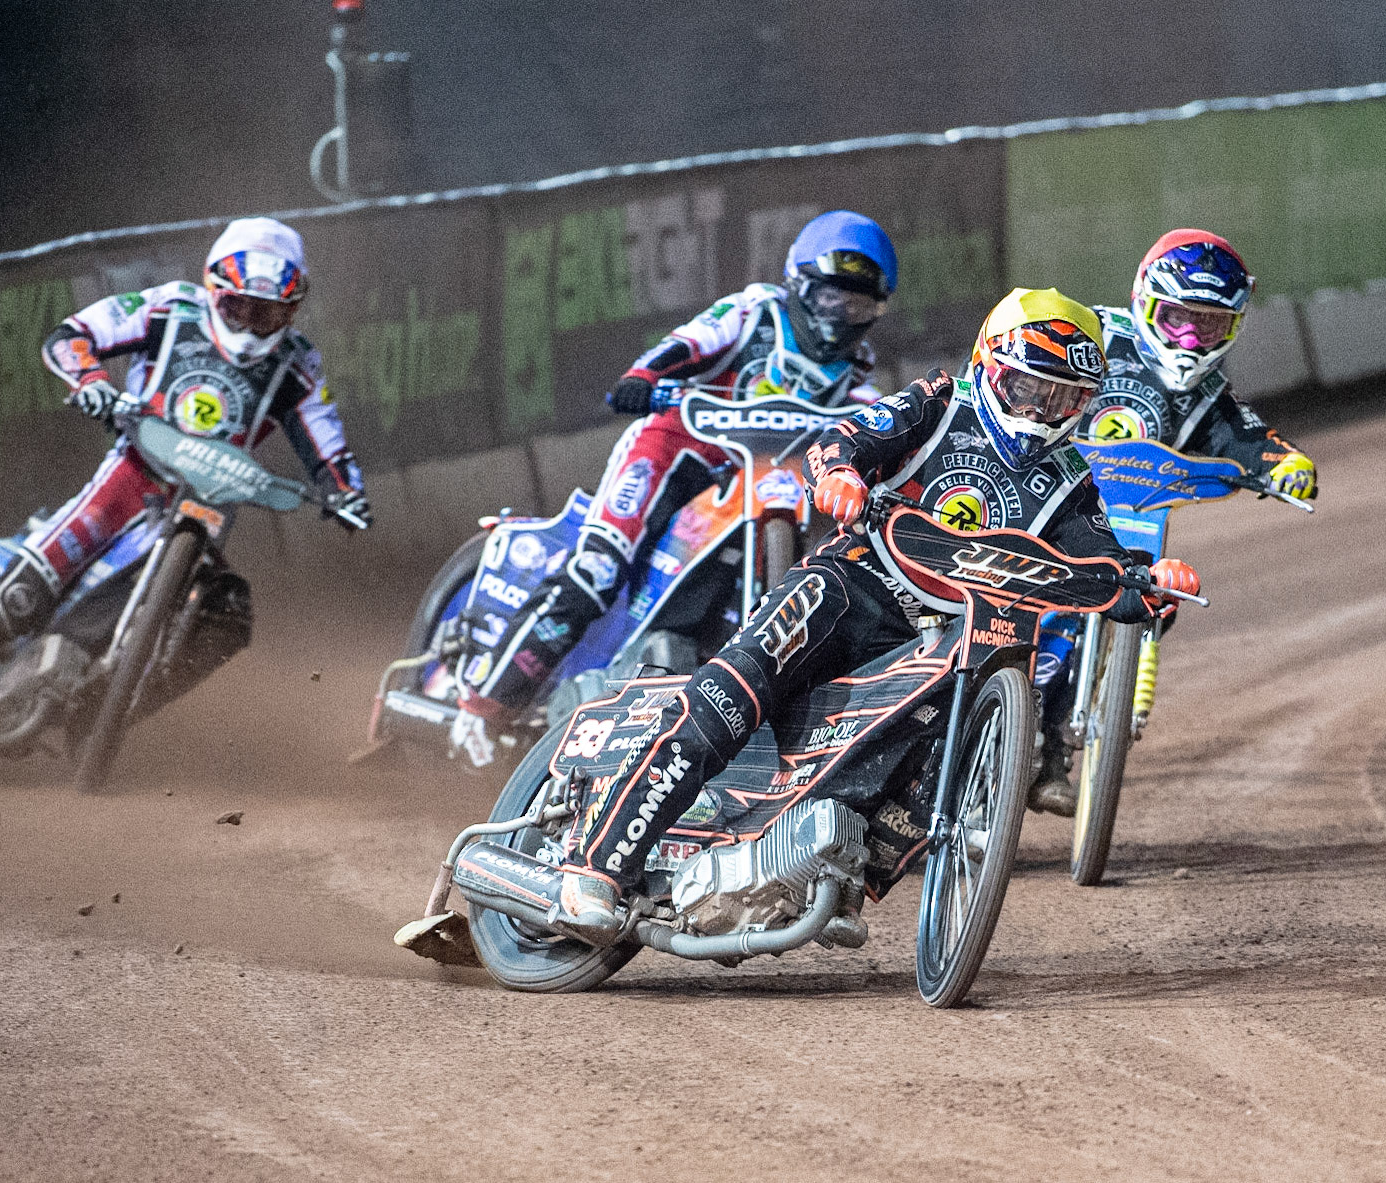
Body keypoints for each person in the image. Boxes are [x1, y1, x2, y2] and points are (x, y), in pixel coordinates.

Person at [545, 287, 1202, 940]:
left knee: (931, 753)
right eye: (1029, 386)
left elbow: (1107, 564)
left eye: (1061, 396)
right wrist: (841, 475)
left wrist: (1149, 582)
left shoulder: (1070, 480)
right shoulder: (941, 403)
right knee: (723, 697)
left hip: (935, 639)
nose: (1040, 408)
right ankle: (595, 867)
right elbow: (845, 438)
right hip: (849, 582)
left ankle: (836, 883)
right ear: (990, 366)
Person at [0, 217, 370, 742]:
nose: (251, 327)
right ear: (214, 291)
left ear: (291, 313)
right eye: (240, 308)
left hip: (210, 506)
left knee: (224, 618)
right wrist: (89, 380)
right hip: (130, 477)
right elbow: (73, 334)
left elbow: (326, 435)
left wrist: (346, 492)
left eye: (268, 315)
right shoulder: (169, 306)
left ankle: (96, 718)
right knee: (20, 595)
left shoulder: (301, 365)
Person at [448, 210, 898, 767]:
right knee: (598, 570)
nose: (839, 316)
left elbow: (878, 436)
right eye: (830, 297)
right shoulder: (754, 312)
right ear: (799, 284)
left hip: (759, 494)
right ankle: (484, 703)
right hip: (673, 451)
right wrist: (644, 377)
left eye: (855, 305)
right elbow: (687, 343)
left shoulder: (858, 385)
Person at [1025, 228, 1317, 814]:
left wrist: (1284, 461)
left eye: (1208, 326)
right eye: (1177, 317)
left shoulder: (1208, 391)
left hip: (1128, 525)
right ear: (1144, 299)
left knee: (1139, 593)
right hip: (1035, 496)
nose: (1189, 337)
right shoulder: (1096, 335)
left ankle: (1046, 746)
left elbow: (1240, 434)